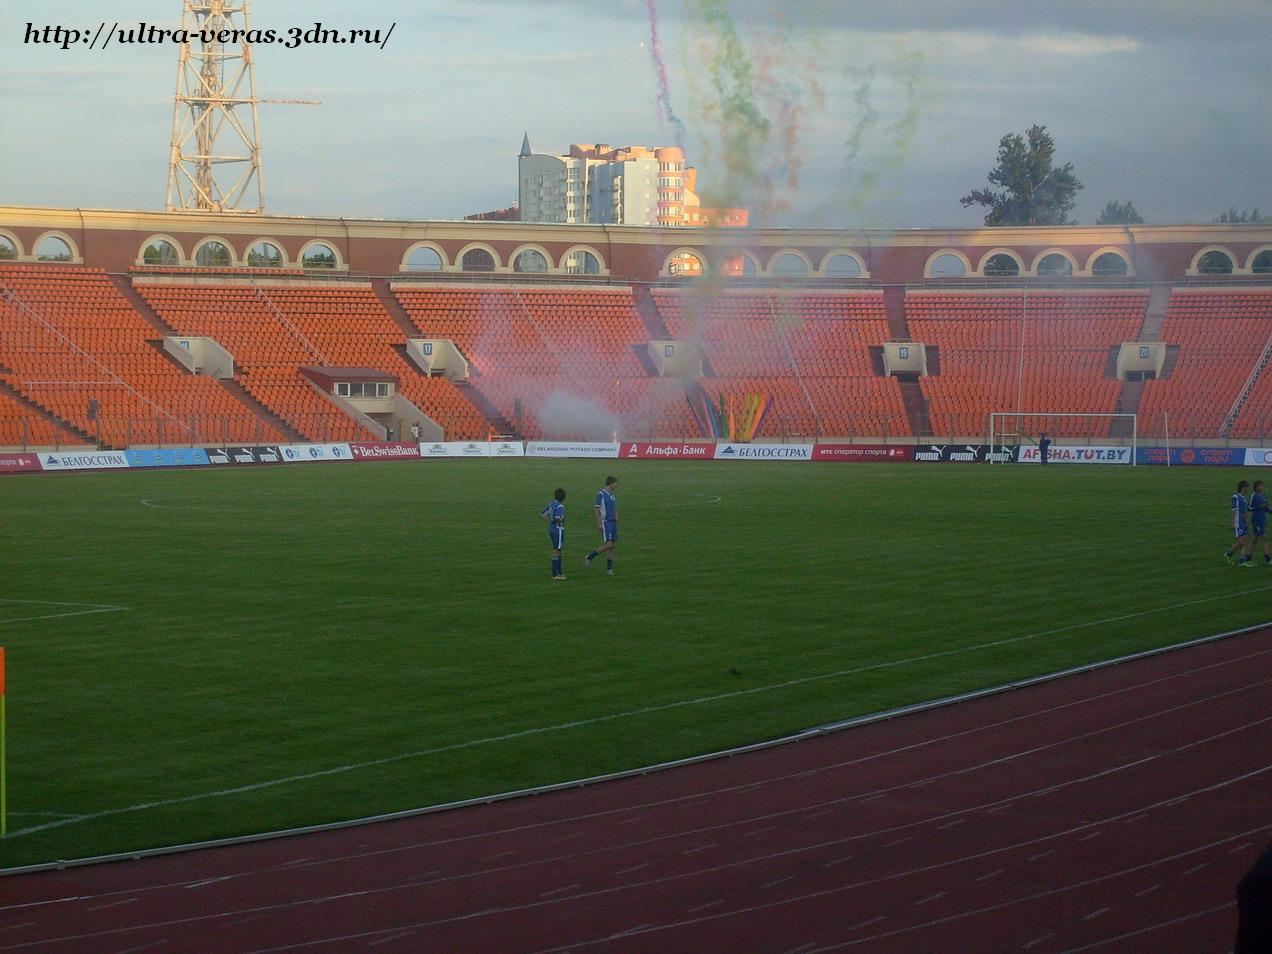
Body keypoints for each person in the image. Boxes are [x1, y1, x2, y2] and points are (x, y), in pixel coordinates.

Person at [585, 476, 619, 576]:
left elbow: (613, 507)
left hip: (613, 522)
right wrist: (599, 523)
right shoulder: (601, 494)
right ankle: (589, 557)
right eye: (615, 483)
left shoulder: (612, 495)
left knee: (611, 547)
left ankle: (609, 569)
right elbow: (596, 508)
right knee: (609, 545)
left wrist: (616, 514)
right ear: (610, 483)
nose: (616, 485)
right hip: (606, 522)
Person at [540, 488, 567, 580]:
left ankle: (559, 572)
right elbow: (558, 517)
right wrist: (560, 525)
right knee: (557, 550)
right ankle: (555, 574)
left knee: (558, 550)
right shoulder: (560, 506)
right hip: (557, 530)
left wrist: (549, 522)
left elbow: (543, 513)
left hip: (551, 529)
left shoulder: (551, 504)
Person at [1227, 480, 1253, 566]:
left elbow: (1243, 511)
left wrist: (1246, 518)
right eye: (1247, 487)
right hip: (1238, 523)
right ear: (1242, 488)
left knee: (1244, 541)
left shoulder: (1243, 498)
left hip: (1243, 522)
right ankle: (1229, 554)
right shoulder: (1235, 497)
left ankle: (1242, 561)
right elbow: (1233, 511)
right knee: (1241, 542)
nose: (1248, 489)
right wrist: (1233, 522)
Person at [1251, 480, 1270, 565]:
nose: (1262, 487)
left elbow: (1265, 507)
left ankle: (1247, 558)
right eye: (1261, 486)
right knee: (1264, 538)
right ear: (1256, 487)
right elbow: (1249, 507)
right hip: (1257, 521)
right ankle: (1267, 559)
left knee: (1255, 540)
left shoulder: (1263, 495)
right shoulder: (1254, 496)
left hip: (1262, 520)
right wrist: (1259, 506)